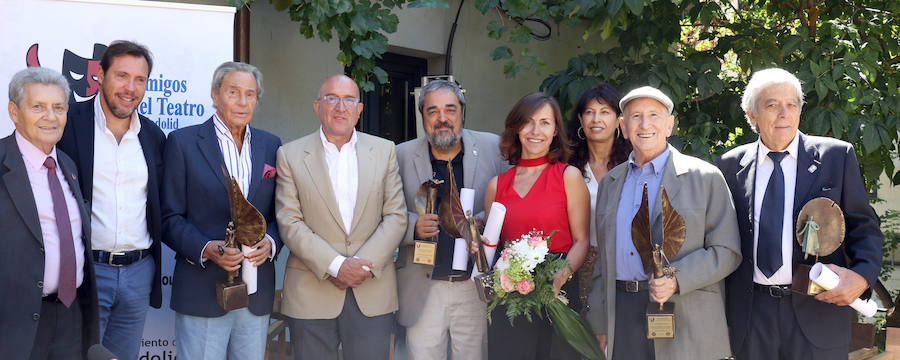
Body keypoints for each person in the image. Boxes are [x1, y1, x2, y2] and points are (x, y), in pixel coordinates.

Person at [716, 68, 883, 359]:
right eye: (772, 105)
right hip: (752, 315)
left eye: (792, 104)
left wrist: (862, 277)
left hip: (819, 310)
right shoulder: (730, 165)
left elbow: (864, 227)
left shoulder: (835, 157)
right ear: (751, 114)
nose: (784, 113)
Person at [586, 86, 741, 359]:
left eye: (654, 115)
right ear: (623, 126)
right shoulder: (611, 183)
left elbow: (727, 251)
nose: (645, 124)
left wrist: (674, 279)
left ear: (670, 125)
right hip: (622, 314)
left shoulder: (705, 177)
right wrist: (599, 321)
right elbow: (604, 260)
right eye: (635, 116)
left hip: (684, 312)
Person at [275, 74, 407, 360]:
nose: (340, 107)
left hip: (371, 289)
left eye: (349, 99)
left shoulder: (384, 151)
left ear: (359, 109)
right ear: (317, 106)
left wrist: (359, 267)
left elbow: (395, 216)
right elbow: (289, 221)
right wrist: (336, 265)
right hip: (311, 291)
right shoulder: (290, 154)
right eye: (331, 98)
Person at [161, 61, 282, 360]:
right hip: (203, 291)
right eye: (233, 92)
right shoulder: (184, 143)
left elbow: (281, 214)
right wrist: (207, 248)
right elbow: (169, 217)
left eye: (250, 94)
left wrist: (272, 242)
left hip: (255, 292)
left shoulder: (271, 145)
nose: (242, 102)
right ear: (215, 95)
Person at [56, 40, 165, 360]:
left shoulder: (153, 137)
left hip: (138, 273)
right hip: (84, 271)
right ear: (100, 75)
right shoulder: (67, 123)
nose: (130, 88)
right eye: (122, 76)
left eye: (140, 80)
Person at [395, 79, 507, 359]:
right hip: (423, 285)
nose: (442, 118)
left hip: (473, 285)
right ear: (422, 116)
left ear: (462, 112)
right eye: (432, 111)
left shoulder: (493, 147)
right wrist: (412, 226)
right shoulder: (401, 155)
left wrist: (483, 224)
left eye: (450, 109)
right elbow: (385, 211)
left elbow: (511, 199)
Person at [0, 67, 98, 359]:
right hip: (13, 325)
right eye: (38, 107)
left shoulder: (67, 165)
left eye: (58, 107)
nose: (50, 117)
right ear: (14, 112)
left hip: (71, 317)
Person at [483, 92, 590, 360]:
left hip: (558, 292)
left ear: (555, 131)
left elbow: (581, 241)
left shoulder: (569, 176)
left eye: (545, 122)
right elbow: (490, 249)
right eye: (528, 122)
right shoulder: (497, 185)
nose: (535, 131)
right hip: (510, 297)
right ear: (516, 128)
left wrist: (560, 276)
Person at [565, 83, 632, 308]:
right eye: (589, 112)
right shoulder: (568, 166)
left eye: (605, 112)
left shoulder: (632, 165)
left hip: (621, 263)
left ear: (618, 120)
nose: (596, 119)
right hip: (574, 263)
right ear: (581, 120)